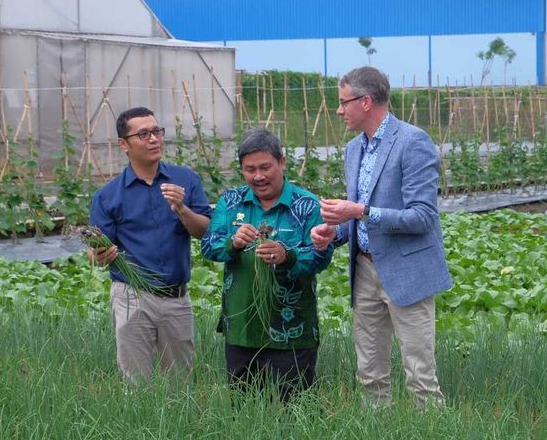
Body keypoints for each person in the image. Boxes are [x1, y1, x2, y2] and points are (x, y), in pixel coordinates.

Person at [310, 66, 452, 407]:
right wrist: (334, 232)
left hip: (406, 271)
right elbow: (358, 218)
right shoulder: (353, 150)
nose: (339, 110)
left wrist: (357, 212)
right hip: (365, 270)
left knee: (420, 375)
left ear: (366, 101)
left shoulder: (412, 142)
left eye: (344, 102)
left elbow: (422, 217)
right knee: (369, 373)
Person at [201, 128, 334, 402]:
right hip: (242, 328)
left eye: (265, 167)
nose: (258, 176)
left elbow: (322, 256)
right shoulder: (231, 201)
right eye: (250, 169)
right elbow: (208, 246)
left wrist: (288, 256)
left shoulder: (307, 206)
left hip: (291, 330)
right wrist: (233, 243)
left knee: (297, 411)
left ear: (281, 162)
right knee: (245, 412)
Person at [89, 106, 212, 383]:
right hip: (131, 295)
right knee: (135, 383)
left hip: (175, 296)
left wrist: (182, 208)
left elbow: (204, 231)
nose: (154, 139)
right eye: (143, 134)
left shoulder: (185, 180)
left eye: (157, 131)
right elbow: (96, 250)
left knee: (180, 383)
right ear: (124, 144)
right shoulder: (108, 196)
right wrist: (99, 253)